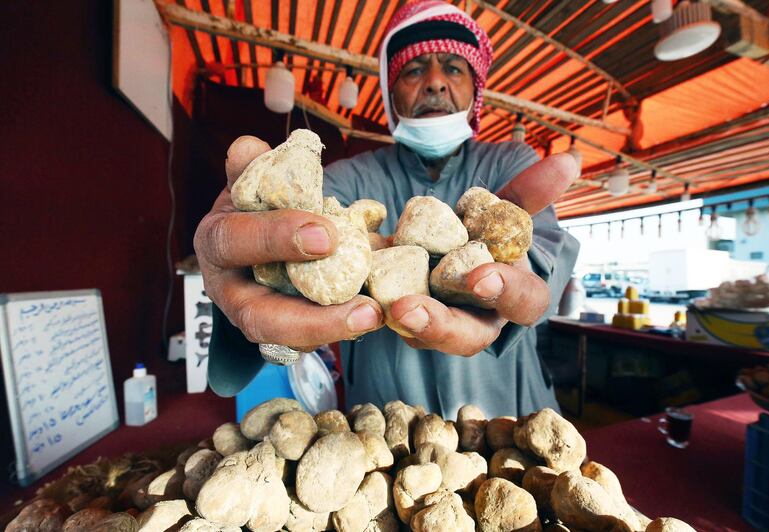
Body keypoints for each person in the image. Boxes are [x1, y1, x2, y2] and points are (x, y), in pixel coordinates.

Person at [194, 0, 580, 419]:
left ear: (476, 86)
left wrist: (518, 274)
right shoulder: (347, 179)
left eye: (453, 67)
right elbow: (287, 263)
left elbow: (546, 270)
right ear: (391, 91)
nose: (434, 82)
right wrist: (242, 280)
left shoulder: (510, 163)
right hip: (382, 424)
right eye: (414, 70)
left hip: (508, 412)